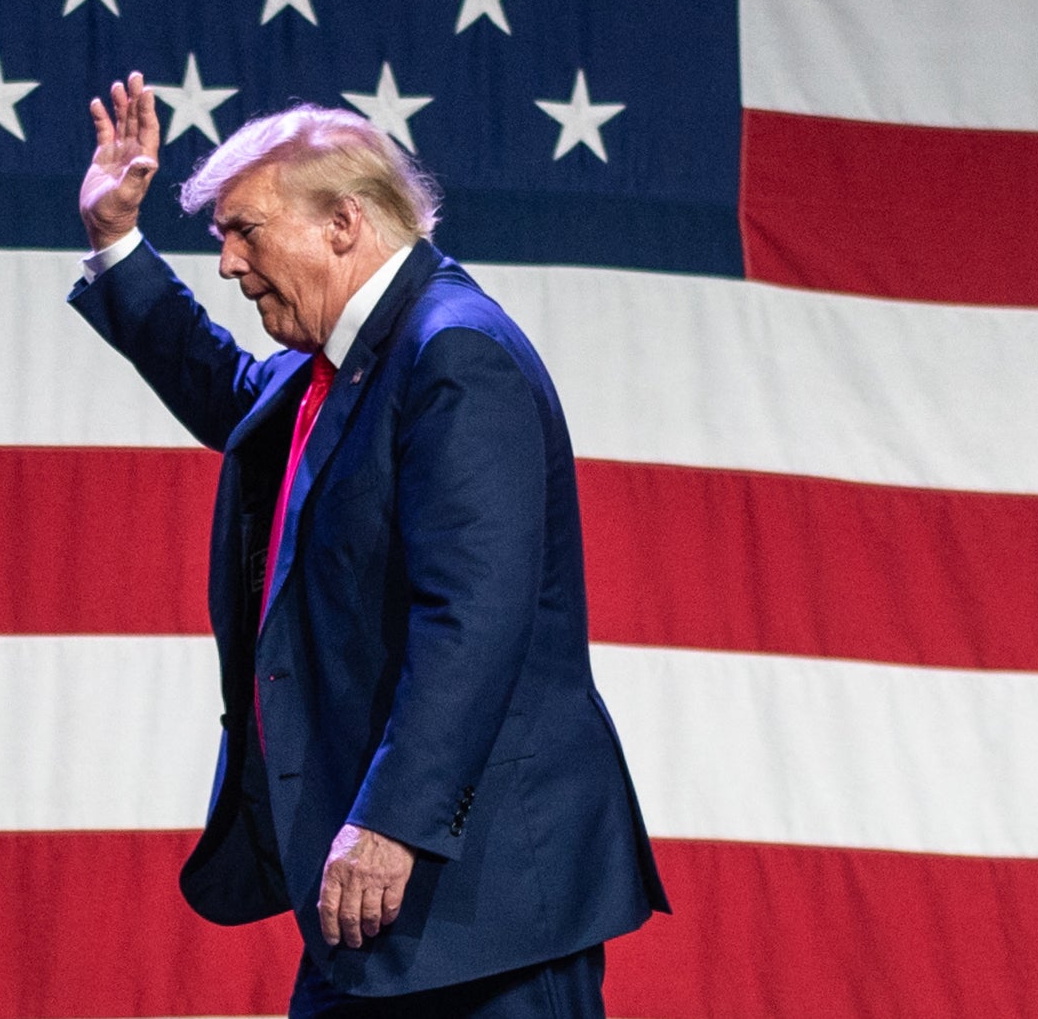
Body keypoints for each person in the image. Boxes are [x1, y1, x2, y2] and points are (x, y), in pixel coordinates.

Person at [70, 73, 668, 1017]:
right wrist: (115, 240)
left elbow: (472, 617)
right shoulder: (348, 363)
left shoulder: (452, 352)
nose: (227, 264)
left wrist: (392, 820)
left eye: (244, 230)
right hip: (383, 901)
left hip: (478, 899)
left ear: (344, 223)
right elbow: (231, 393)